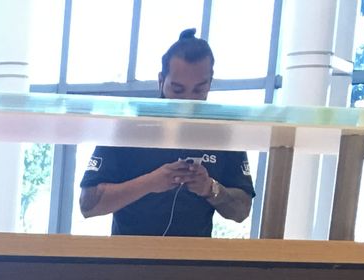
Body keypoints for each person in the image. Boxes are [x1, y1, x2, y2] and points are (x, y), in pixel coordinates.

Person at [78, 30, 256, 237]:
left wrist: (210, 188)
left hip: (193, 261)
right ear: (161, 80)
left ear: (210, 83)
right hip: (127, 260)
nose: (188, 101)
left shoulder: (224, 131)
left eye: (199, 90)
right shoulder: (128, 125)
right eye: (178, 90)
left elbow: (242, 210)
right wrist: (150, 183)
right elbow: (88, 204)